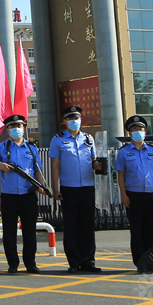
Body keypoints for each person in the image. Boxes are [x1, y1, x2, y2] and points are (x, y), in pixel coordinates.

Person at [0, 114, 46, 274]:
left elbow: (37, 170)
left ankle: (30, 263)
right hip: (9, 196)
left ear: (24, 128)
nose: (16, 129)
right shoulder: (2, 147)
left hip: (28, 195)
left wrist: (40, 185)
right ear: (7, 130)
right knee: (9, 232)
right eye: (12, 127)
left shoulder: (31, 148)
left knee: (29, 231)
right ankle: (13, 264)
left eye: (19, 126)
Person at [50, 106, 100, 273]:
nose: (74, 121)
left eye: (76, 118)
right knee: (71, 226)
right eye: (70, 119)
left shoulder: (89, 138)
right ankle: (73, 262)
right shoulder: (58, 139)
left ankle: (88, 261)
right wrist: (55, 188)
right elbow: (55, 165)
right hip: (68, 188)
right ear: (65, 121)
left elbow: (93, 161)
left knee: (87, 225)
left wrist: (98, 165)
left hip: (87, 186)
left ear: (81, 120)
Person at [114, 115, 153, 273]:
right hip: (133, 195)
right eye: (134, 130)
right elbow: (120, 174)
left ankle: (152, 263)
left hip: (150, 194)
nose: (138, 132)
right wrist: (123, 194)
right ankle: (140, 262)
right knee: (137, 229)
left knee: (150, 230)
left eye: (140, 130)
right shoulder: (123, 152)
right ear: (129, 134)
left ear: (145, 132)